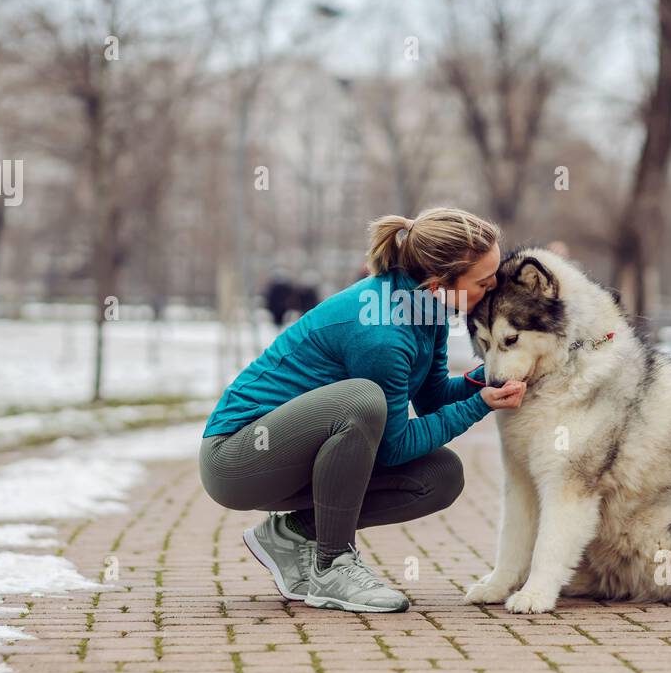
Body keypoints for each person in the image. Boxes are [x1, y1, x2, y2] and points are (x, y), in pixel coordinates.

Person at [199, 207, 526, 612]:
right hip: (237, 459)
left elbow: (434, 396)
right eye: (484, 281)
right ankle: (331, 564)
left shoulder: (428, 310)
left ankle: (294, 532)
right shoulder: (381, 332)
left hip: (292, 454)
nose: (493, 289)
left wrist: (485, 379)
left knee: (441, 475)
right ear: (441, 282)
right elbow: (392, 447)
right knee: (362, 401)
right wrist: (477, 407)